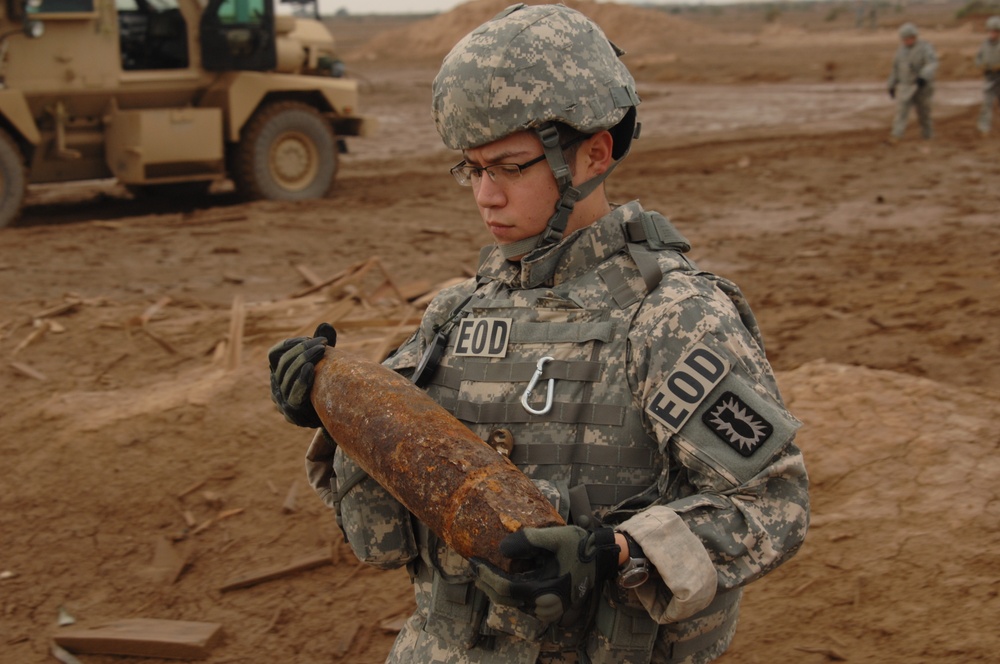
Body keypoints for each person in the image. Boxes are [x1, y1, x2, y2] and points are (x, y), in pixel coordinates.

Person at [268, 4, 809, 663]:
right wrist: (332, 412)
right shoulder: (455, 315)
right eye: (472, 169)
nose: (485, 196)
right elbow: (380, 539)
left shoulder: (670, 318)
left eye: (510, 167)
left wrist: (618, 554)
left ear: (593, 153)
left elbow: (771, 503)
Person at [887, 22, 938, 143]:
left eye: (909, 38)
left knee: (924, 112)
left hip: (922, 86)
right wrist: (891, 85)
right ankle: (896, 135)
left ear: (914, 37)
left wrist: (923, 76)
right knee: (901, 112)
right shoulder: (900, 51)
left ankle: (928, 134)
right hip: (905, 86)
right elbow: (896, 69)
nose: (906, 41)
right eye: (904, 39)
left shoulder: (925, 48)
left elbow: (932, 63)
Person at [975, 15, 1000, 136]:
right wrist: (981, 65)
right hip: (989, 77)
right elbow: (978, 58)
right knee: (987, 104)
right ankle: (984, 128)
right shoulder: (985, 44)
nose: (992, 33)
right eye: (990, 31)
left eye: (995, 31)